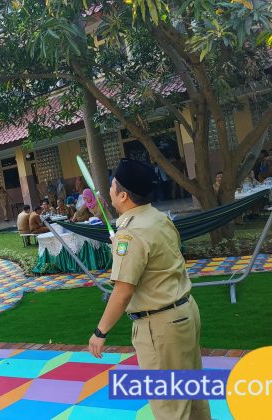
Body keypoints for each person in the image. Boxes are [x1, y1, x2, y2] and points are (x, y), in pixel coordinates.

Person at [88, 158, 210, 420]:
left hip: (161, 327)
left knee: (170, 409)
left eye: (112, 185)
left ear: (123, 195)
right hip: (185, 313)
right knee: (193, 398)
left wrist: (100, 332)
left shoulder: (130, 234)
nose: (109, 189)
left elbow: (123, 292)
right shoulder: (158, 218)